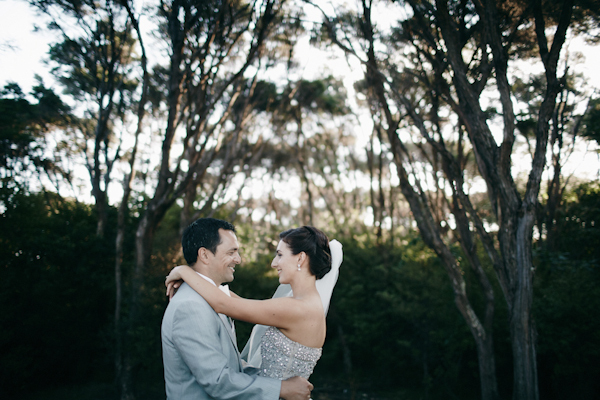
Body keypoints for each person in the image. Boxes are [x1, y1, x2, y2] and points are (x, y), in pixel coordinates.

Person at [165, 223, 343, 385]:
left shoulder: (297, 308)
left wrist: (184, 270)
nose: (274, 263)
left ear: (300, 258)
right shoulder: (303, 303)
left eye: (280, 255)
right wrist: (200, 282)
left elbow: (224, 304)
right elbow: (237, 301)